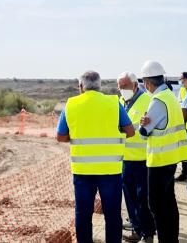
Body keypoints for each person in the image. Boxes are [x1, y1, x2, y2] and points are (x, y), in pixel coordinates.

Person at [57, 70, 136, 243]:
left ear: (81, 87)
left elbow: (60, 137)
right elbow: (130, 131)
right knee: (113, 214)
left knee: (83, 214)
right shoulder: (113, 103)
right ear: (100, 87)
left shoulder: (71, 104)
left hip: (83, 171)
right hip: (110, 170)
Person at [138, 60, 187, 243]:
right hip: (171, 158)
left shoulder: (158, 100)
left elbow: (144, 132)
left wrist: (141, 125)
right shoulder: (169, 96)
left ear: (147, 82)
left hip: (159, 159)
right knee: (168, 203)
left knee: (157, 206)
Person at [117, 72, 155, 242]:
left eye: (124, 86)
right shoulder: (120, 102)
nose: (121, 90)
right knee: (130, 198)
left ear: (134, 85)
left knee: (143, 199)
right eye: (119, 87)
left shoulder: (147, 100)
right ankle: (136, 229)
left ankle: (147, 233)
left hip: (143, 160)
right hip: (126, 159)